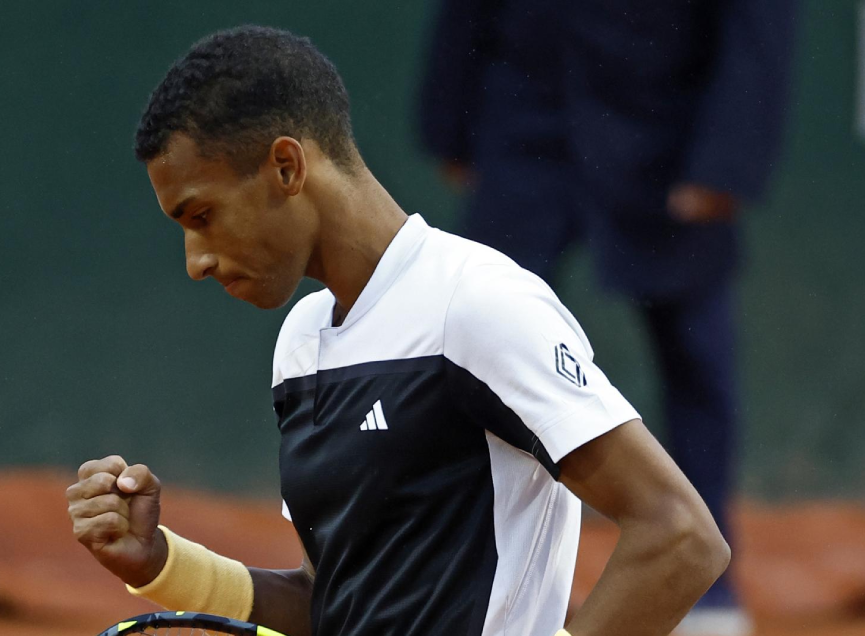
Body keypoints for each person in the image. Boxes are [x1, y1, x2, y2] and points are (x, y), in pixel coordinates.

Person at [67, 26, 730, 636]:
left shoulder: (474, 304)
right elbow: (332, 601)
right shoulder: (302, 344)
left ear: (287, 167)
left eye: (203, 215)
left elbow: (680, 536)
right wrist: (160, 562)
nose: (196, 261)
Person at [418, 2, 795, 633]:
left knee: (696, 363)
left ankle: (707, 593)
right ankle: (468, 582)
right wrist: (450, 121)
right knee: (470, 359)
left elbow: (758, 18)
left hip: (669, 130)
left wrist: (728, 159)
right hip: (525, 116)